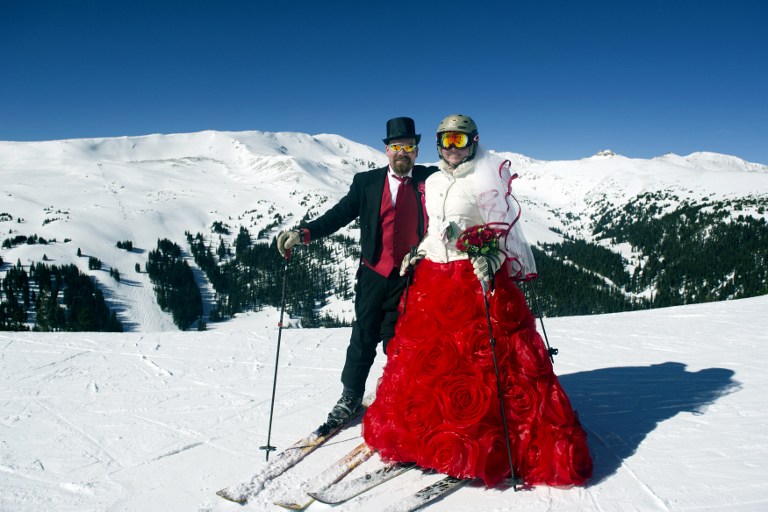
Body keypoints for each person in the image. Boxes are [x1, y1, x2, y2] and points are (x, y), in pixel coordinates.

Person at [362, 115, 593, 487]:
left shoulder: (484, 178)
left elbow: (501, 231)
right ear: (437, 144)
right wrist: (419, 251)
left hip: (473, 280)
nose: (453, 148)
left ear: (473, 142)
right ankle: (431, 440)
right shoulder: (432, 182)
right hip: (434, 280)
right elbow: (434, 227)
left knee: (482, 364)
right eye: (446, 140)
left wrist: (493, 257)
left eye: (460, 140)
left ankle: (484, 443)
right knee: (432, 367)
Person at [276, 117, 437, 432]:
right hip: (374, 274)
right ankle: (351, 396)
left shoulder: (430, 180)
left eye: (408, 147)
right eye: (396, 147)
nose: (402, 152)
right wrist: (304, 233)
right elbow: (339, 214)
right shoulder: (366, 182)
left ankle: (401, 394)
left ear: (417, 151)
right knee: (363, 336)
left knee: (401, 341)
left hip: (413, 276)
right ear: (386, 150)